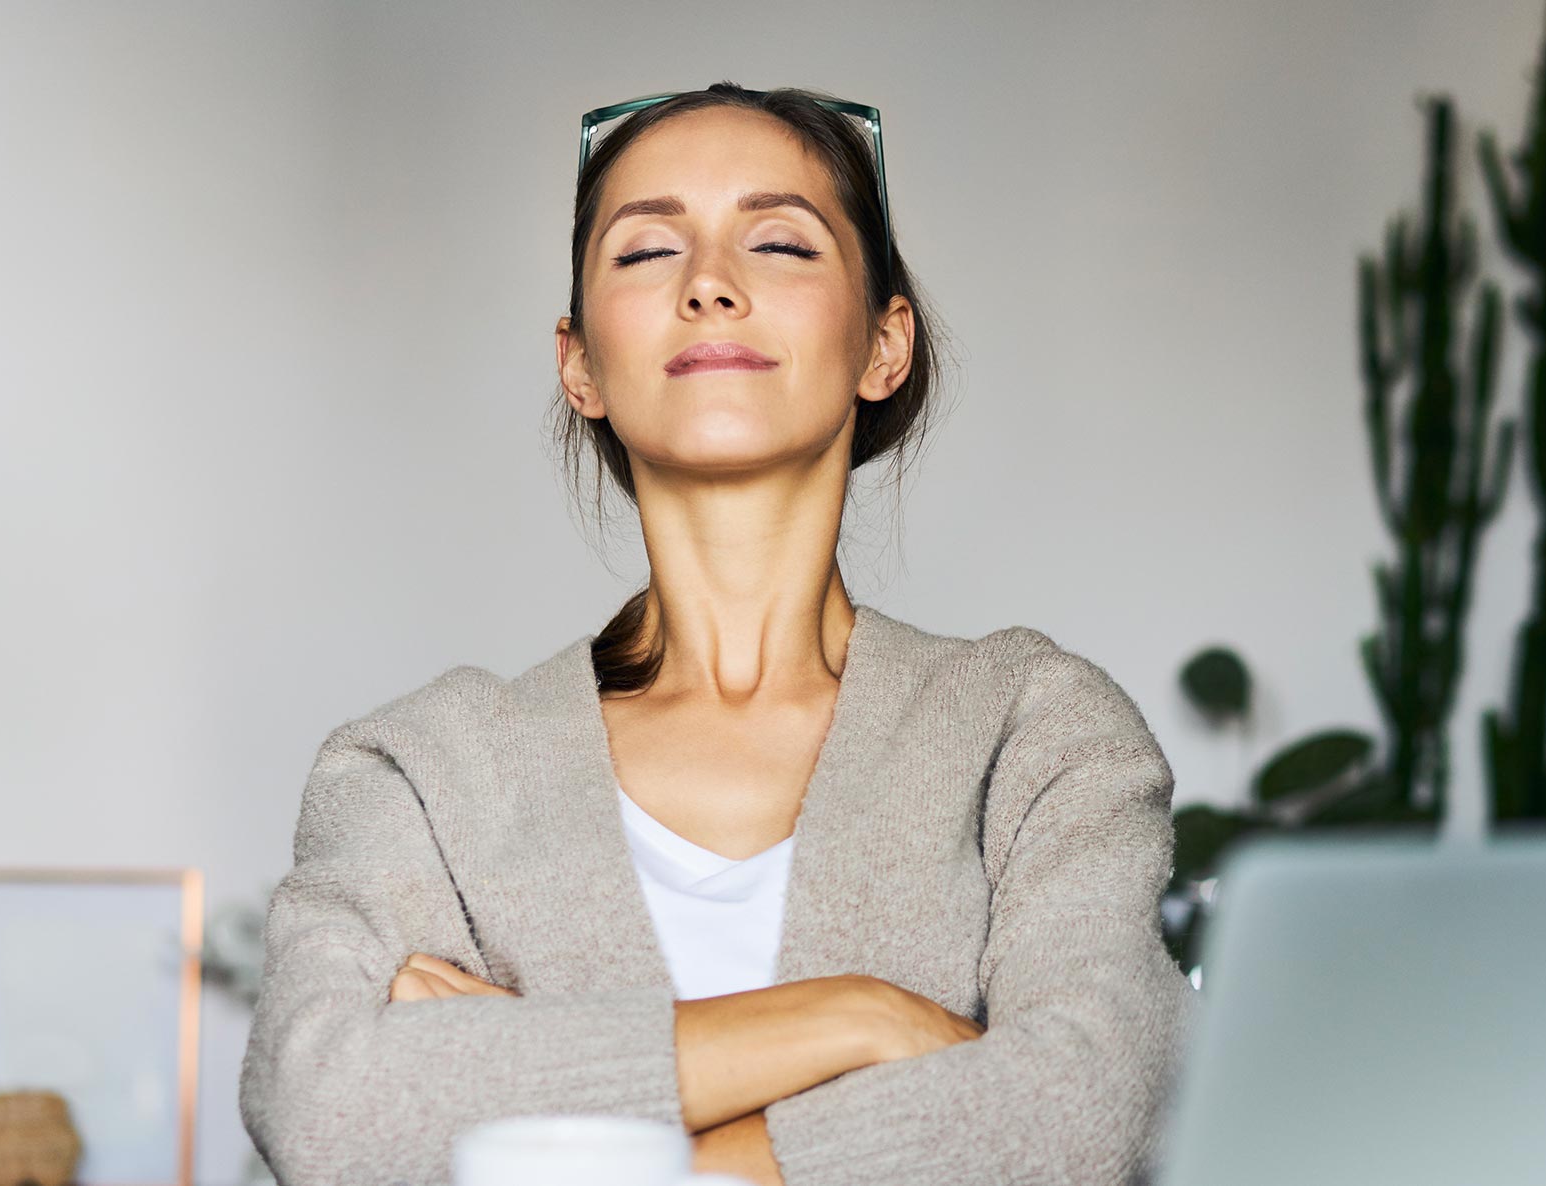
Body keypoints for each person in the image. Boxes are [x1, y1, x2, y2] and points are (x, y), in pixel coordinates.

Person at [236, 82, 1192, 1186]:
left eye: (780, 241)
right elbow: (326, 1107)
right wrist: (861, 1020)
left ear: (885, 343)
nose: (709, 286)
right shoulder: (420, 771)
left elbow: (1083, 1111)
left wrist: (564, 1110)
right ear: (580, 363)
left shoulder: (1033, 733)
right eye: (646, 254)